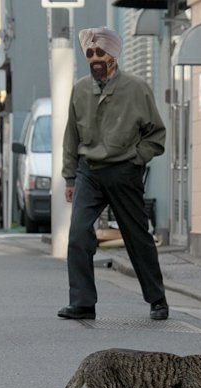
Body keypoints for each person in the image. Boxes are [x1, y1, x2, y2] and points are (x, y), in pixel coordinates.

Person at [58, 27, 168, 321]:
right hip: (88, 172)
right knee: (79, 234)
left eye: (101, 53)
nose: (95, 58)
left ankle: (157, 299)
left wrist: (136, 158)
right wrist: (70, 177)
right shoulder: (80, 90)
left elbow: (156, 135)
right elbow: (71, 135)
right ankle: (82, 303)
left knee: (136, 236)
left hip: (124, 171)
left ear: (114, 56)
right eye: (90, 53)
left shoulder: (137, 88)